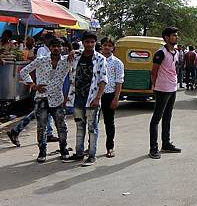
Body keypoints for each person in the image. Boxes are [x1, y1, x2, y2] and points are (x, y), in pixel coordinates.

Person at [19, 38, 71, 162]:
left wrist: (73, 50)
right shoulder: (41, 60)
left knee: (61, 126)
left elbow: (85, 50)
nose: (57, 48)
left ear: (62, 48)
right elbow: (23, 71)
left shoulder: (66, 61)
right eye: (54, 46)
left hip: (57, 98)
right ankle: (42, 151)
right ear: (50, 47)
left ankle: (63, 149)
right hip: (41, 98)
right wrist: (33, 86)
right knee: (41, 127)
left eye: (59, 46)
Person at [62, 31, 107, 166]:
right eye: (87, 42)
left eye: (92, 42)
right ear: (83, 42)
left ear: (95, 43)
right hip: (78, 98)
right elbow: (62, 60)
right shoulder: (76, 56)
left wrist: (98, 98)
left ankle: (92, 155)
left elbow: (103, 80)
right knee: (79, 126)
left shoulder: (100, 59)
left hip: (92, 98)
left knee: (92, 128)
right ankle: (79, 153)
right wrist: (72, 51)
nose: (89, 44)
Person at [149, 27, 182, 159]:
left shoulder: (176, 52)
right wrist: (154, 86)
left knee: (168, 116)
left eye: (176, 35)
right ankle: (153, 148)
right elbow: (154, 71)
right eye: (174, 35)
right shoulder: (160, 53)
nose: (176, 37)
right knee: (156, 118)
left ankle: (166, 143)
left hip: (172, 88)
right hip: (162, 89)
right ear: (167, 38)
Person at [100, 37, 124, 157]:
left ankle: (110, 147)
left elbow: (119, 81)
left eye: (109, 45)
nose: (107, 47)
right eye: (105, 45)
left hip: (109, 95)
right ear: (101, 46)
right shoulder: (95, 60)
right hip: (94, 95)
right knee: (91, 123)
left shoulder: (117, 63)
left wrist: (116, 98)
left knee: (109, 123)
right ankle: (90, 147)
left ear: (113, 48)